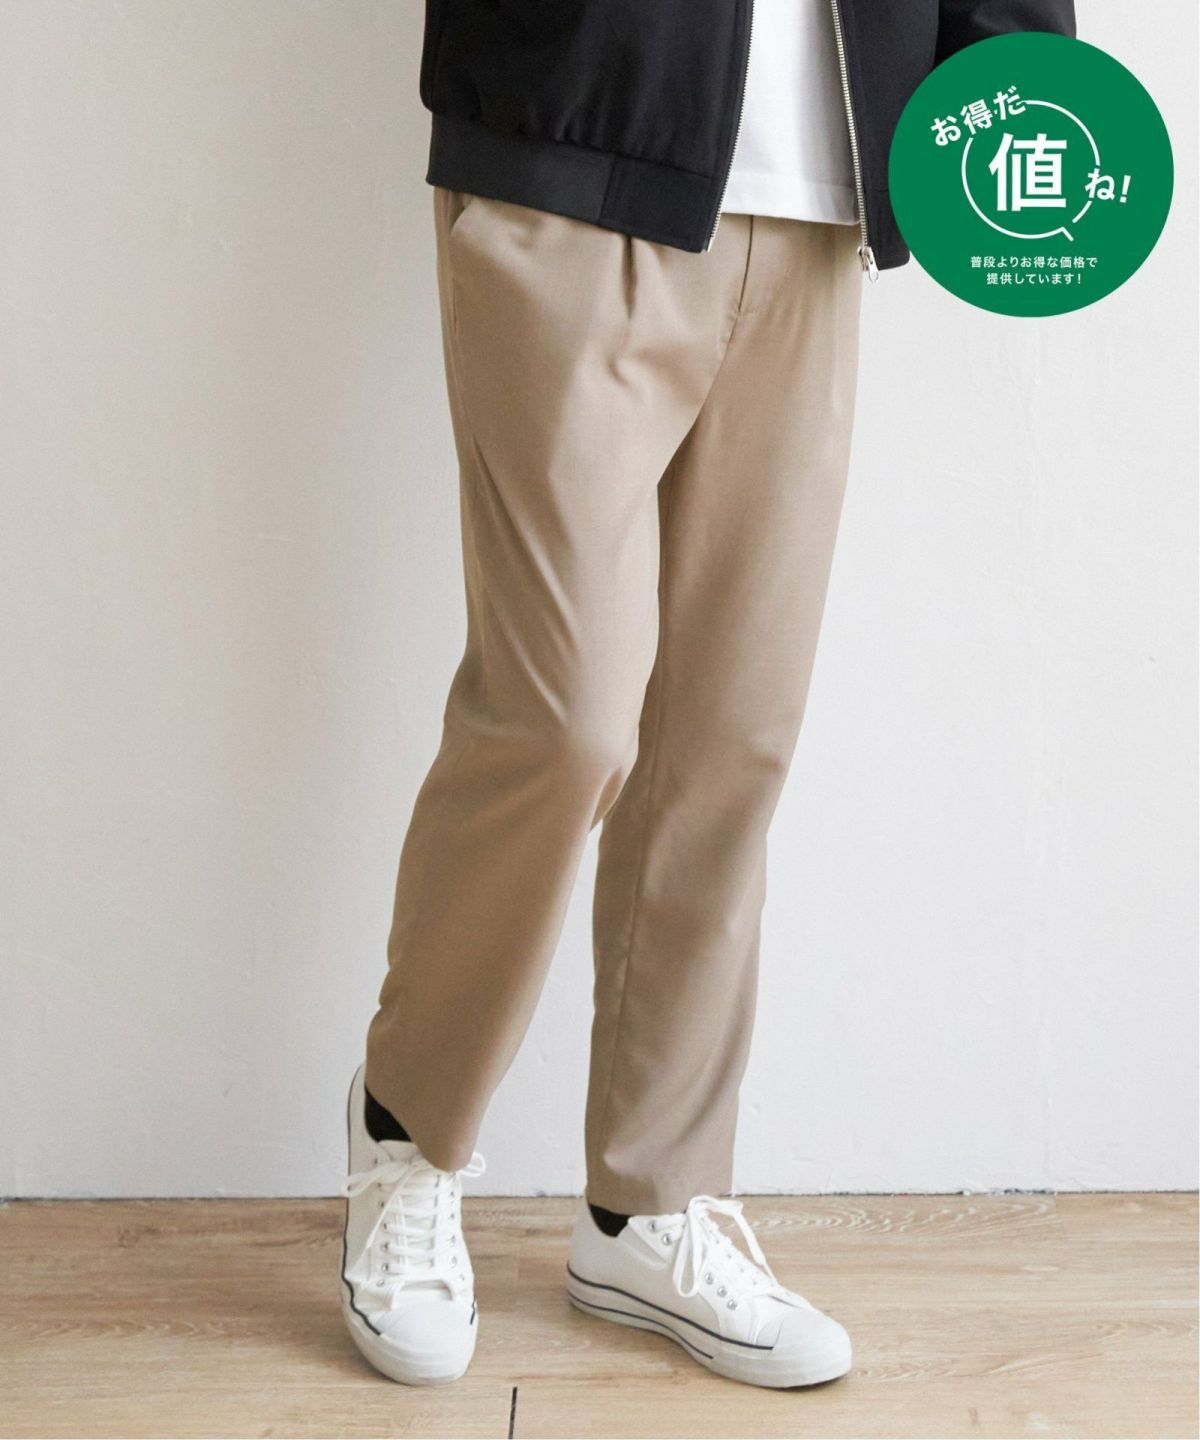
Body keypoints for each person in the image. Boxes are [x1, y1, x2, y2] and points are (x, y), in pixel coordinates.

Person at [339, 0, 1076, 1391]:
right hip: (574, 150)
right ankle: (406, 1132)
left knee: (730, 734)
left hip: (823, 193)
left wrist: (1016, 76)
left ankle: (651, 1205)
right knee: (565, 720)